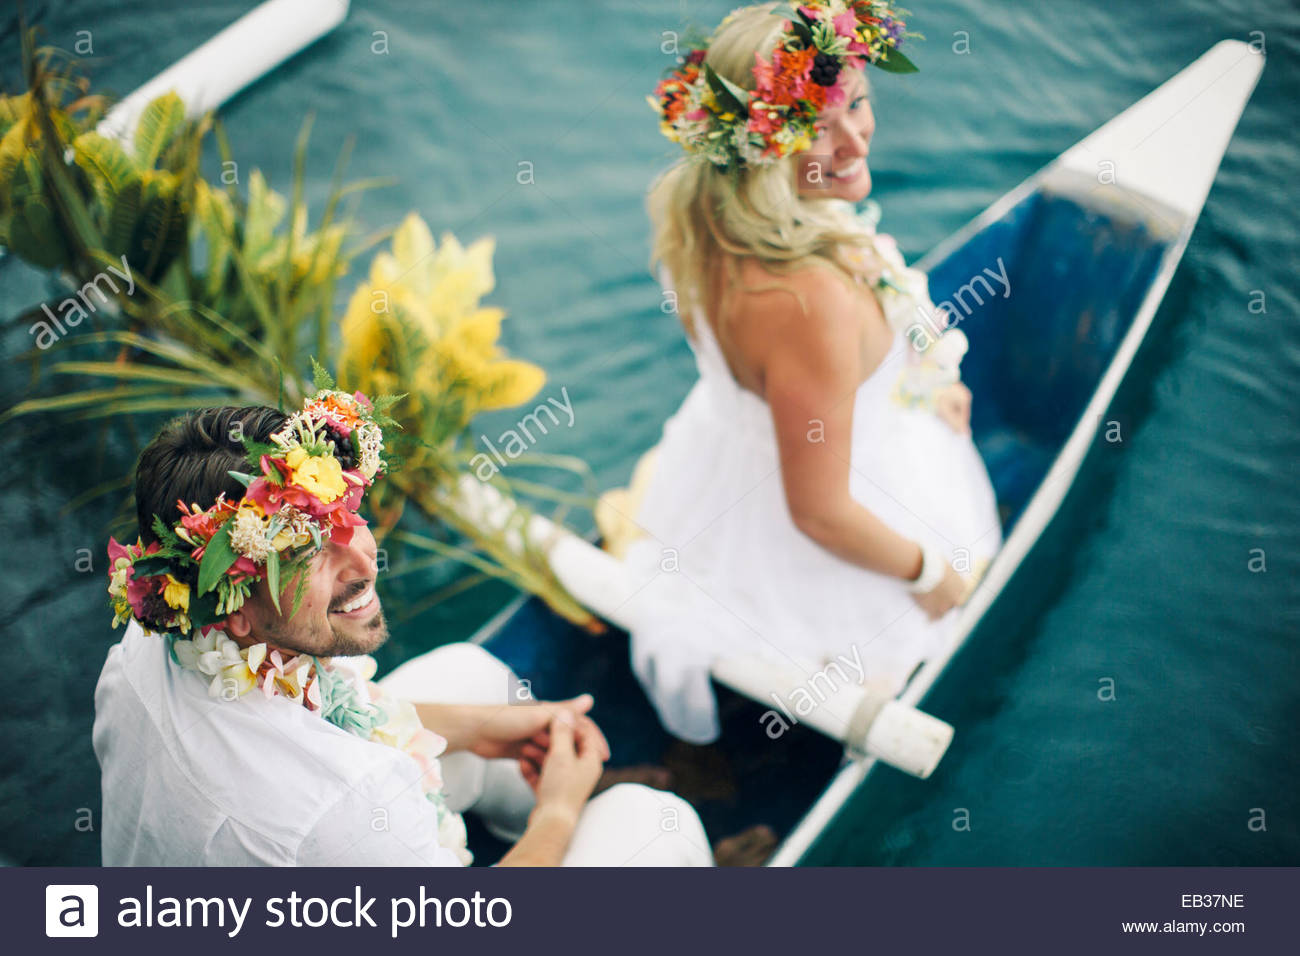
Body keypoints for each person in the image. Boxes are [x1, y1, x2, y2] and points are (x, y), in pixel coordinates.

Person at [92, 396, 712, 866]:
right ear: (233, 609)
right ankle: (589, 824)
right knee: (657, 821)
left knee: (478, 681)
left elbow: (318, 712)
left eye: (346, 512)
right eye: (302, 553)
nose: (363, 560)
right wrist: (558, 812)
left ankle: (559, 794)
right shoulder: (344, 809)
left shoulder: (153, 634)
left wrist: (483, 727)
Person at [617, 1, 1002, 743]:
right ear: (763, 146)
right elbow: (819, 511)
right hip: (827, 515)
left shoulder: (705, 215)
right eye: (817, 127)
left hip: (727, 467)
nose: (854, 138)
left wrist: (920, 384)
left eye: (858, 102)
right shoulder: (808, 300)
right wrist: (931, 577)